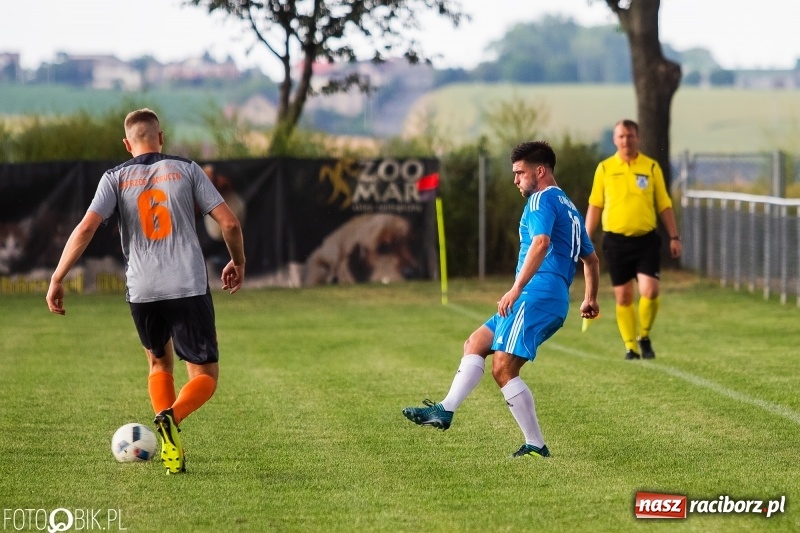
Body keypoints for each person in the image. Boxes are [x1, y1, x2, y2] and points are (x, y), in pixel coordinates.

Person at [45, 108, 245, 474]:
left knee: (158, 362)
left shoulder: (115, 177)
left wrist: (58, 276)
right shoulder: (187, 169)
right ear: (161, 137)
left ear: (127, 143)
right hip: (187, 284)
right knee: (204, 376)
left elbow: (86, 228)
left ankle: (171, 446)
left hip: (142, 289)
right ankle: (172, 417)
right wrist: (239, 262)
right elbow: (229, 223)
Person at [402, 141, 600, 459]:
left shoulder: (540, 201)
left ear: (540, 171)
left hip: (536, 294)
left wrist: (517, 287)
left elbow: (541, 242)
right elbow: (591, 260)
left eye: (520, 173)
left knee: (503, 368)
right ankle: (445, 410)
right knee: (476, 342)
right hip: (549, 297)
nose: (515, 180)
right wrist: (589, 298)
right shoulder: (570, 208)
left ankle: (535, 444)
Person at [584, 119, 681, 360]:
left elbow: (664, 204)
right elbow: (595, 205)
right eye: (621, 136)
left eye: (630, 136)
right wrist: (585, 240)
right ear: (615, 140)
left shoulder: (650, 168)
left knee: (650, 290)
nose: (626, 140)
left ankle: (644, 336)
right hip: (616, 242)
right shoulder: (605, 169)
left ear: (638, 138)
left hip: (646, 240)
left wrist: (674, 236)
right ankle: (630, 347)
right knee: (624, 296)